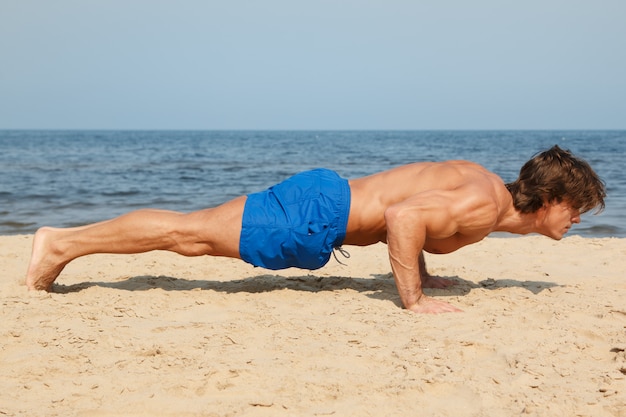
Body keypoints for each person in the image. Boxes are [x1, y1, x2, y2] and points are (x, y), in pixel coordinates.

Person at [25, 145, 605, 313]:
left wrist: (427, 268)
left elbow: (413, 214)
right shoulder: (483, 207)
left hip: (325, 201)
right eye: (575, 206)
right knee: (189, 234)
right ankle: (62, 243)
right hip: (319, 216)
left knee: (192, 234)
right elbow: (403, 219)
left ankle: (65, 244)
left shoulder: (481, 188)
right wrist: (414, 300)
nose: (577, 219)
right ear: (550, 197)